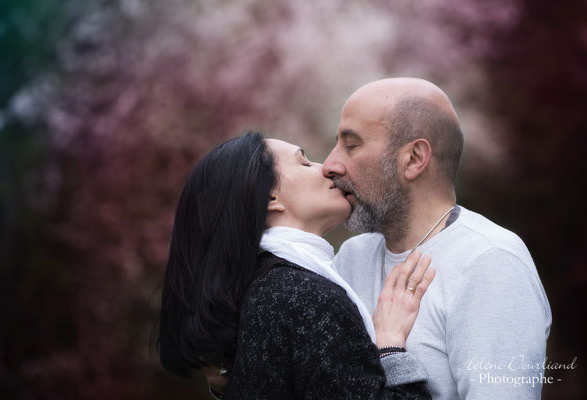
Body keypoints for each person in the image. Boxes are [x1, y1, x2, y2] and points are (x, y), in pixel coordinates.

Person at [157, 132, 435, 399]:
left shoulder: (261, 291)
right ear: (269, 198)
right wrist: (389, 345)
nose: (326, 168)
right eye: (304, 162)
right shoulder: (307, 299)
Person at [323, 78, 552, 399]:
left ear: (415, 158)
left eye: (351, 144)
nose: (330, 164)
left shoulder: (490, 262)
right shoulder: (351, 257)